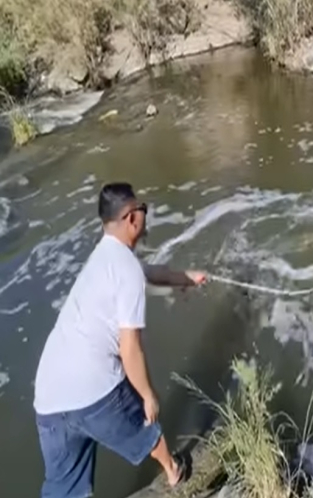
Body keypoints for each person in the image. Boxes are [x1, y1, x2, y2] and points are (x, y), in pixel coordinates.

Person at [33, 181, 208, 498]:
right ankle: (173, 472)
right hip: (93, 390)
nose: (145, 213)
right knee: (144, 424)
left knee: (63, 488)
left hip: (48, 397)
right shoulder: (125, 269)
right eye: (143, 208)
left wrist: (188, 278)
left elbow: (151, 272)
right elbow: (130, 349)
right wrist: (148, 395)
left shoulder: (105, 257)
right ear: (131, 217)